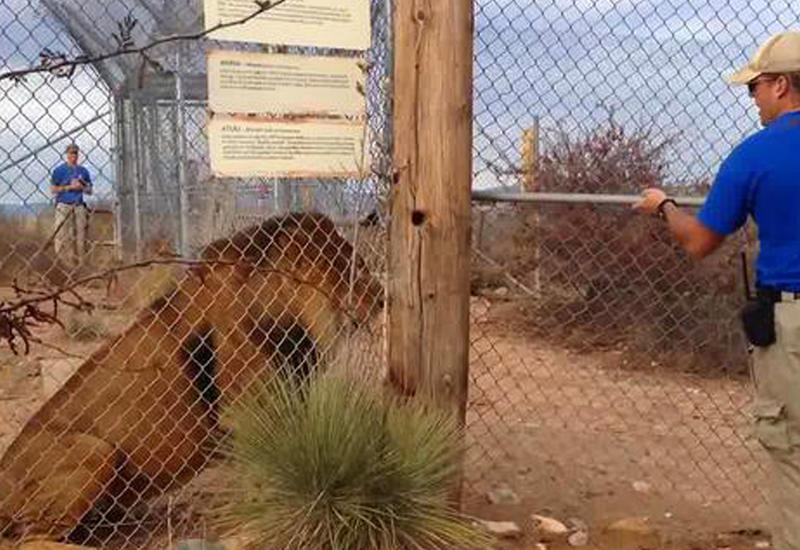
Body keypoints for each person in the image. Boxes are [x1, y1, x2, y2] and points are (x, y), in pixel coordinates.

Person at [634, 30, 800, 550]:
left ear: (778, 86)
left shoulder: (756, 154)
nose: (752, 100)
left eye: (753, 89)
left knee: (792, 453)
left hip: (792, 325)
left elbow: (701, 241)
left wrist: (663, 206)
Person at [50, 143, 92, 268]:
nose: (73, 155)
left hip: (78, 204)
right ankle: (61, 265)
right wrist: (70, 187)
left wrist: (82, 186)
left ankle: (81, 265)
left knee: (81, 236)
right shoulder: (59, 170)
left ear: (78, 155)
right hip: (63, 204)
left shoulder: (83, 171)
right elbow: (53, 189)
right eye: (71, 153)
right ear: (67, 155)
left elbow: (90, 190)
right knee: (62, 236)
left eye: (75, 153)